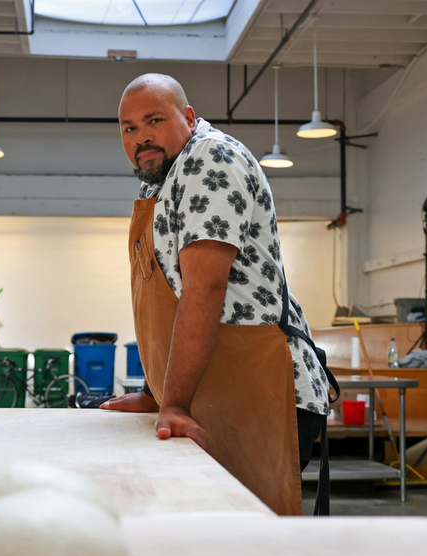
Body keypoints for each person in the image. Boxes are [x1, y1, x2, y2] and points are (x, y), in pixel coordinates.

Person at [100, 73, 338, 516]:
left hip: (256, 391)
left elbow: (205, 288)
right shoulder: (162, 177)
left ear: (188, 117)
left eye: (154, 120)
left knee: (244, 546)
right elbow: (166, 297)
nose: (140, 136)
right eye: (128, 127)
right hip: (215, 389)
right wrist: (156, 393)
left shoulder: (210, 159)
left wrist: (174, 403)